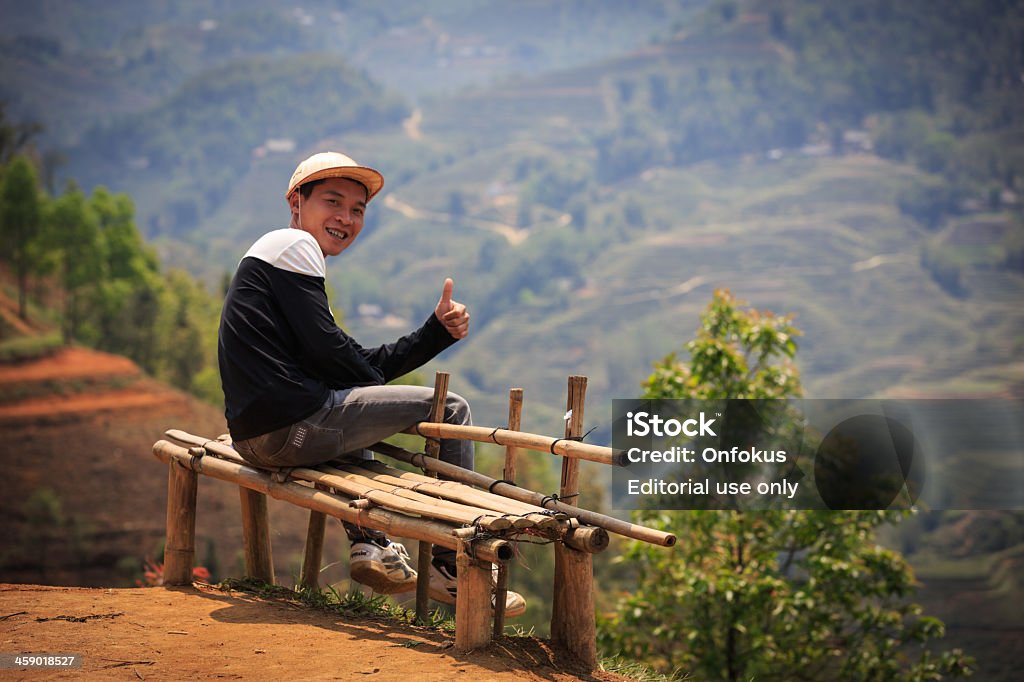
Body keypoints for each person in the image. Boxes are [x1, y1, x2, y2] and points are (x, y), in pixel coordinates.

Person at [217, 151, 524, 617]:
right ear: (295, 202)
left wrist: (434, 334)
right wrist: (377, 376)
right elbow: (337, 357)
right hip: (289, 429)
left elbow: (343, 362)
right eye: (332, 202)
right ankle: (455, 564)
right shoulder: (292, 246)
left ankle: (371, 546)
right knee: (452, 409)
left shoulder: (275, 261)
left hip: (257, 437)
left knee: (352, 397)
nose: (345, 218)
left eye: (357, 209)